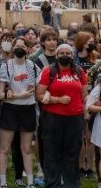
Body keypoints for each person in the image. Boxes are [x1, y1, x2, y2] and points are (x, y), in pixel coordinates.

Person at [36, 44, 88, 188]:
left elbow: (84, 95)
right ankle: (53, 183)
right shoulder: (48, 71)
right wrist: (57, 100)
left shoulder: (79, 71)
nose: (65, 55)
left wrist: (92, 103)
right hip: (53, 118)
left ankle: (72, 183)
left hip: (75, 117)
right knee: (52, 151)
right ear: (57, 55)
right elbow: (39, 95)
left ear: (72, 55)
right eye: (62, 53)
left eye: (68, 53)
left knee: (72, 151)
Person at [0, 37, 38, 188]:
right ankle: (3, 182)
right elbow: (0, 95)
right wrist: (14, 95)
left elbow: (35, 90)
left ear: (27, 49)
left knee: (26, 149)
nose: (19, 48)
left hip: (28, 109)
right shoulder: (6, 66)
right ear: (13, 48)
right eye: (17, 45)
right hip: (10, 110)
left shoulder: (33, 67)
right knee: (5, 148)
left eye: (23, 45)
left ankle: (31, 182)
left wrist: (17, 95)